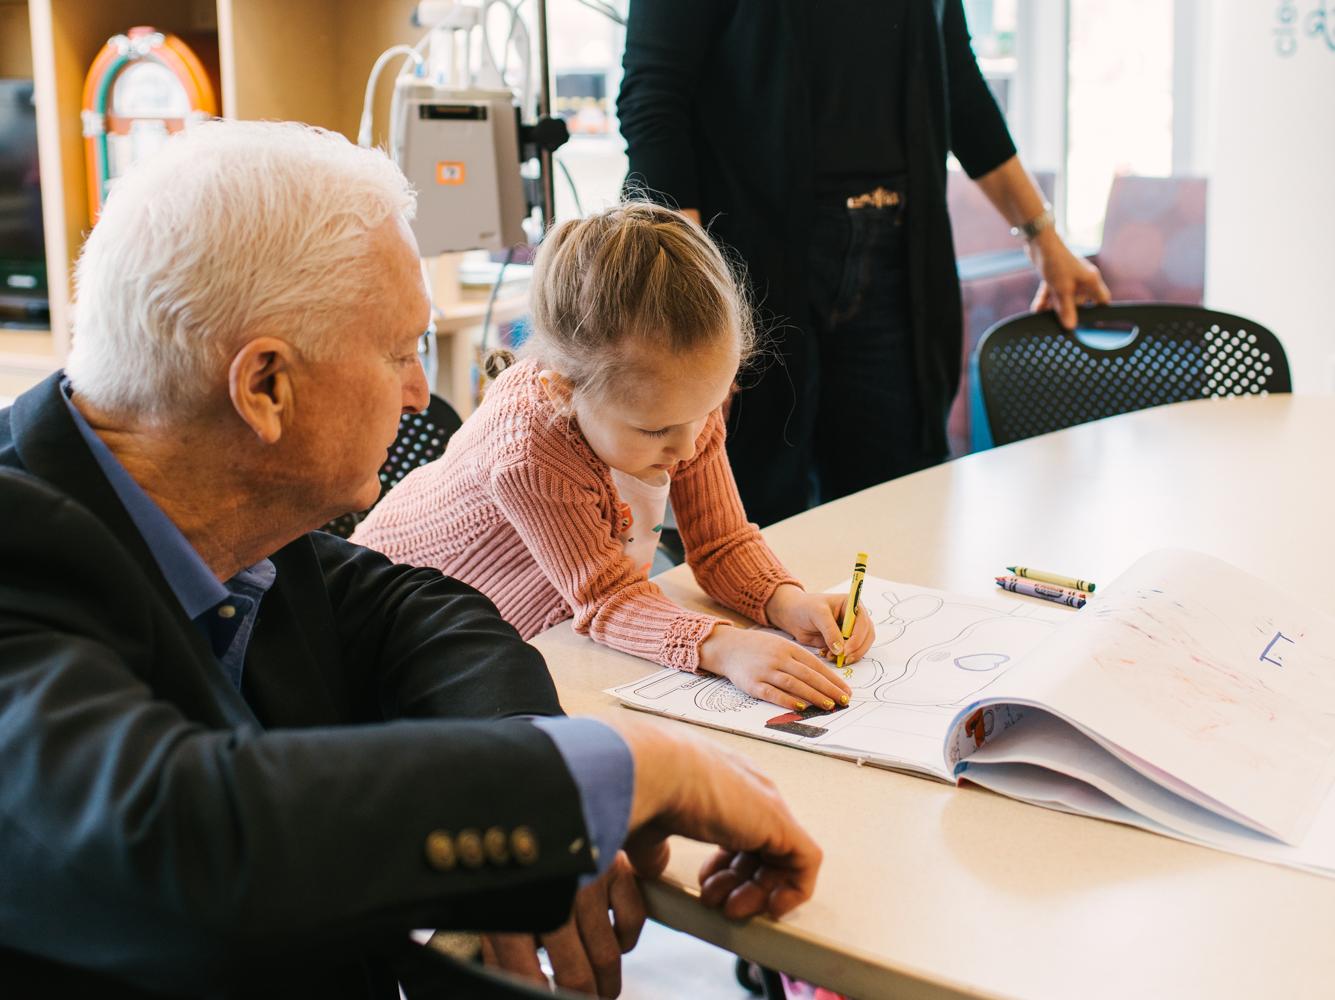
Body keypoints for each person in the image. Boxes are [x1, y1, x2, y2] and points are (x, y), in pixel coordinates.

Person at [0, 120, 823, 999]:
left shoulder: (255, 537)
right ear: (264, 387)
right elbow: (190, 835)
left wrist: (541, 777)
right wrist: (610, 774)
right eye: (399, 351)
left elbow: (425, 614)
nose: (417, 393)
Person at [353, 202, 874, 714]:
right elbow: (605, 598)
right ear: (562, 393)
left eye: (708, 411)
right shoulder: (525, 453)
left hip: (542, 632)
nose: (689, 447)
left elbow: (719, 542)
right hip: (394, 636)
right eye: (656, 430)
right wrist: (724, 646)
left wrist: (788, 602)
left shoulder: (679, 403)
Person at [618, 0, 1112, 526]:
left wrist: (1043, 238)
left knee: (897, 514)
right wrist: (693, 292)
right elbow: (653, 100)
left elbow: (959, 87)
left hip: (898, 262)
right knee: (752, 515)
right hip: (748, 271)